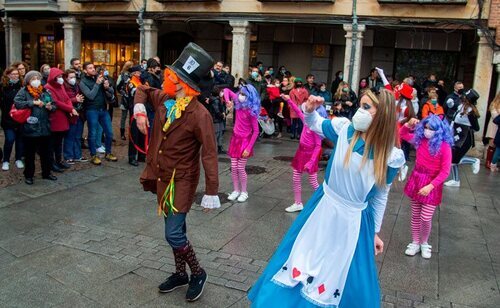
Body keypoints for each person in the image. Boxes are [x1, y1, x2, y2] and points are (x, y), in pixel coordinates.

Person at [248, 89, 405, 307]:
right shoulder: (344, 129)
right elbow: (315, 123)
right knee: (301, 260)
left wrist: (375, 232)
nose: (360, 111)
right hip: (323, 208)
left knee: (343, 276)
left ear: (383, 114)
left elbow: (380, 195)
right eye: (360, 105)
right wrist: (310, 110)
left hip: (354, 220)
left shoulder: (390, 155)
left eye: (367, 107)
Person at [133, 43, 220, 302]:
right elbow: (142, 90)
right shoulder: (165, 98)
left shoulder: (199, 114)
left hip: (182, 180)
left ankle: (198, 272)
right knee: (176, 231)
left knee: (173, 233)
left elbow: (209, 152)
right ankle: (180, 274)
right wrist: (139, 111)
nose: (166, 77)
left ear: (183, 83)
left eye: (172, 76)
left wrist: (212, 191)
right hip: (162, 176)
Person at [400, 116, 453, 259]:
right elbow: (402, 134)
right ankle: (415, 241)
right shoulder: (420, 140)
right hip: (417, 179)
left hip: (432, 183)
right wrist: (408, 124)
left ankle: (424, 242)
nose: (428, 131)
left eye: (431, 129)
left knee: (425, 216)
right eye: (426, 127)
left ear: (439, 130)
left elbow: (445, 171)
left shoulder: (444, 146)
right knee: (416, 214)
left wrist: (431, 186)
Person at [14, 71, 57, 185]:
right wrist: (32, 102)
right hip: (30, 128)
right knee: (30, 155)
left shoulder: (45, 91)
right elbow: (17, 103)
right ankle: (29, 175)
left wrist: (50, 107)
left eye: (37, 78)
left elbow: (54, 105)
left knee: (46, 153)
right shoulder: (24, 91)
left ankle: (46, 173)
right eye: (33, 78)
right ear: (28, 80)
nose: (36, 80)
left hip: (44, 127)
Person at [282, 94, 322, 213]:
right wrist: (288, 100)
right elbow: (296, 109)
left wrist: (311, 162)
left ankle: (323, 202)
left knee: (313, 181)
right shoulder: (305, 119)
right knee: (296, 177)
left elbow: (318, 146)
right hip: (301, 152)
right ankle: (298, 202)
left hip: (311, 155)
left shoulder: (316, 126)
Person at [223, 84, 260, 203]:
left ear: (250, 96)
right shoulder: (238, 103)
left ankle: (244, 191)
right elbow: (226, 90)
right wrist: (228, 101)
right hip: (235, 139)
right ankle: (236, 190)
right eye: (240, 93)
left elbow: (256, 131)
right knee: (233, 167)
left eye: (244, 94)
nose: (241, 96)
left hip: (245, 141)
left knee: (240, 167)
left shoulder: (251, 112)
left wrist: (249, 148)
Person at [79, 62, 118, 165]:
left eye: (93, 68)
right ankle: (93, 155)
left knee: (109, 132)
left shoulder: (99, 77)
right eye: (90, 68)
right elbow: (90, 96)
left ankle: (108, 153)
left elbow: (110, 91)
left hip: (103, 109)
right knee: (92, 133)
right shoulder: (83, 82)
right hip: (91, 110)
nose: (93, 69)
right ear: (85, 70)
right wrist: (97, 84)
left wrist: (107, 87)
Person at [45, 67, 79, 171]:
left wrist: (70, 108)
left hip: (63, 116)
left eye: (61, 76)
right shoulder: (48, 87)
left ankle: (59, 160)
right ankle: (51, 163)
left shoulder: (61, 86)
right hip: (55, 117)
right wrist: (70, 108)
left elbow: (67, 99)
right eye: (58, 76)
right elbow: (56, 102)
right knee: (52, 143)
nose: (60, 78)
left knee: (59, 142)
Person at [445, 89, 481, 187]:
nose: (463, 97)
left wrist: (465, 127)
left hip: (464, 138)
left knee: (455, 159)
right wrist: (450, 104)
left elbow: (477, 127)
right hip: (456, 136)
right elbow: (453, 107)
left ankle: (474, 161)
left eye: (465, 96)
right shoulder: (461, 106)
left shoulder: (470, 112)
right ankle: (456, 180)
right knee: (453, 159)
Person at [0, 66, 24, 171]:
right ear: (8, 75)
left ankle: (18, 159)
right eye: (12, 74)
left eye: (16, 74)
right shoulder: (3, 86)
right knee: (9, 139)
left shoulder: (22, 86)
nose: (15, 76)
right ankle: (6, 160)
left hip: (21, 117)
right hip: (8, 118)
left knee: (20, 140)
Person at [63, 69, 86, 163]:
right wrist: (75, 100)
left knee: (78, 136)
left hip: (79, 113)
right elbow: (64, 100)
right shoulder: (63, 87)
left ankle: (78, 155)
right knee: (70, 136)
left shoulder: (77, 86)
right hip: (70, 114)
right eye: (71, 77)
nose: (73, 79)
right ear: (66, 78)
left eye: (74, 77)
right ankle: (68, 156)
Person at [126, 65, 146, 166]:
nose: (141, 74)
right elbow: (135, 93)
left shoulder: (140, 82)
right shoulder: (131, 83)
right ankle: (132, 157)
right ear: (134, 73)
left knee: (143, 132)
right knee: (134, 134)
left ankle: (142, 155)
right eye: (139, 72)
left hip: (142, 109)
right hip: (134, 111)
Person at [117, 61, 134, 140]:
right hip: (125, 99)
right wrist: (123, 93)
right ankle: (122, 133)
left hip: (131, 99)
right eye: (131, 66)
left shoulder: (132, 75)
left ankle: (131, 133)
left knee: (131, 116)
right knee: (123, 117)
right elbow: (118, 86)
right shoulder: (122, 75)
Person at [486, 93, 500, 169]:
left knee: (497, 146)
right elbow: (494, 116)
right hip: (494, 126)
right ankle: (488, 161)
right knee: (492, 144)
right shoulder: (494, 104)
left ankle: (493, 163)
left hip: (499, 127)